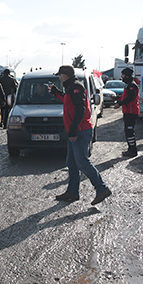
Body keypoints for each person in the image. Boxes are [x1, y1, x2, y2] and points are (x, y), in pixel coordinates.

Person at [50, 65, 111, 205]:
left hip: (79, 130)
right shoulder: (71, 88)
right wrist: (56, 92)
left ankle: (102, 188)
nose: (59, 77)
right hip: (77, 129)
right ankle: (72, 192)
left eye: (60, 75)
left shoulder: (76, 87)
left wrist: (72, 130)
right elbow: (68, 101)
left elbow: (80, 109)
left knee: (82, 162)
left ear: (65, 75)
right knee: (71, 162)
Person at [113, 67, 140, 157]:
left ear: (127, 76)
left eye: (123, 75)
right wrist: (117, 98)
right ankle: (130, 149)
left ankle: (133, 151)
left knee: (130, 131)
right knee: (127, 131)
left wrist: (119, 103)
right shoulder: (128, 85)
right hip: (127, 111)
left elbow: (130, 98)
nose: (122, 77)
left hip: (131, 112)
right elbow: (124, 97)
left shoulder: (132, 86)